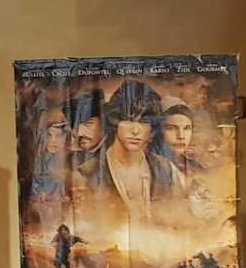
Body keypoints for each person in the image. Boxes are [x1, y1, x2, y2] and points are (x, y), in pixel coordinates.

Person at [72, 79, 186, 225]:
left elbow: (184, 221)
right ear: (115, 121)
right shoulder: (87, 174)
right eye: (128, 120)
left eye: (144, 122)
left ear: (152, 127)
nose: (135, 130)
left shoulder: (167, 170)